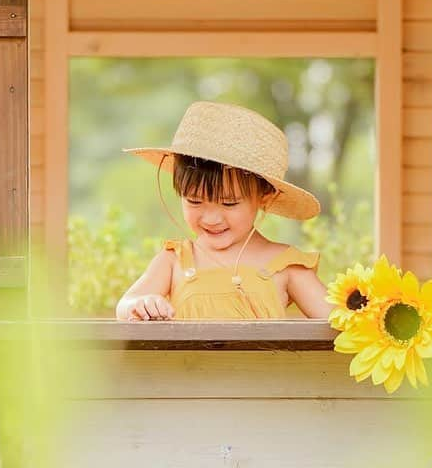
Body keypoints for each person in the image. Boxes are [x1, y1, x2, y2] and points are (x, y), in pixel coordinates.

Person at [115, 101, 331, 321]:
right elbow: (125, 306)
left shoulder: (285, 263)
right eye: (194, 201)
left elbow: (338, 320)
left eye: (229, 203)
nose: (211, 219)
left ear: (264, 197)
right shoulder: (175, 260)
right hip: (188, 358)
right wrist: (142, 304)